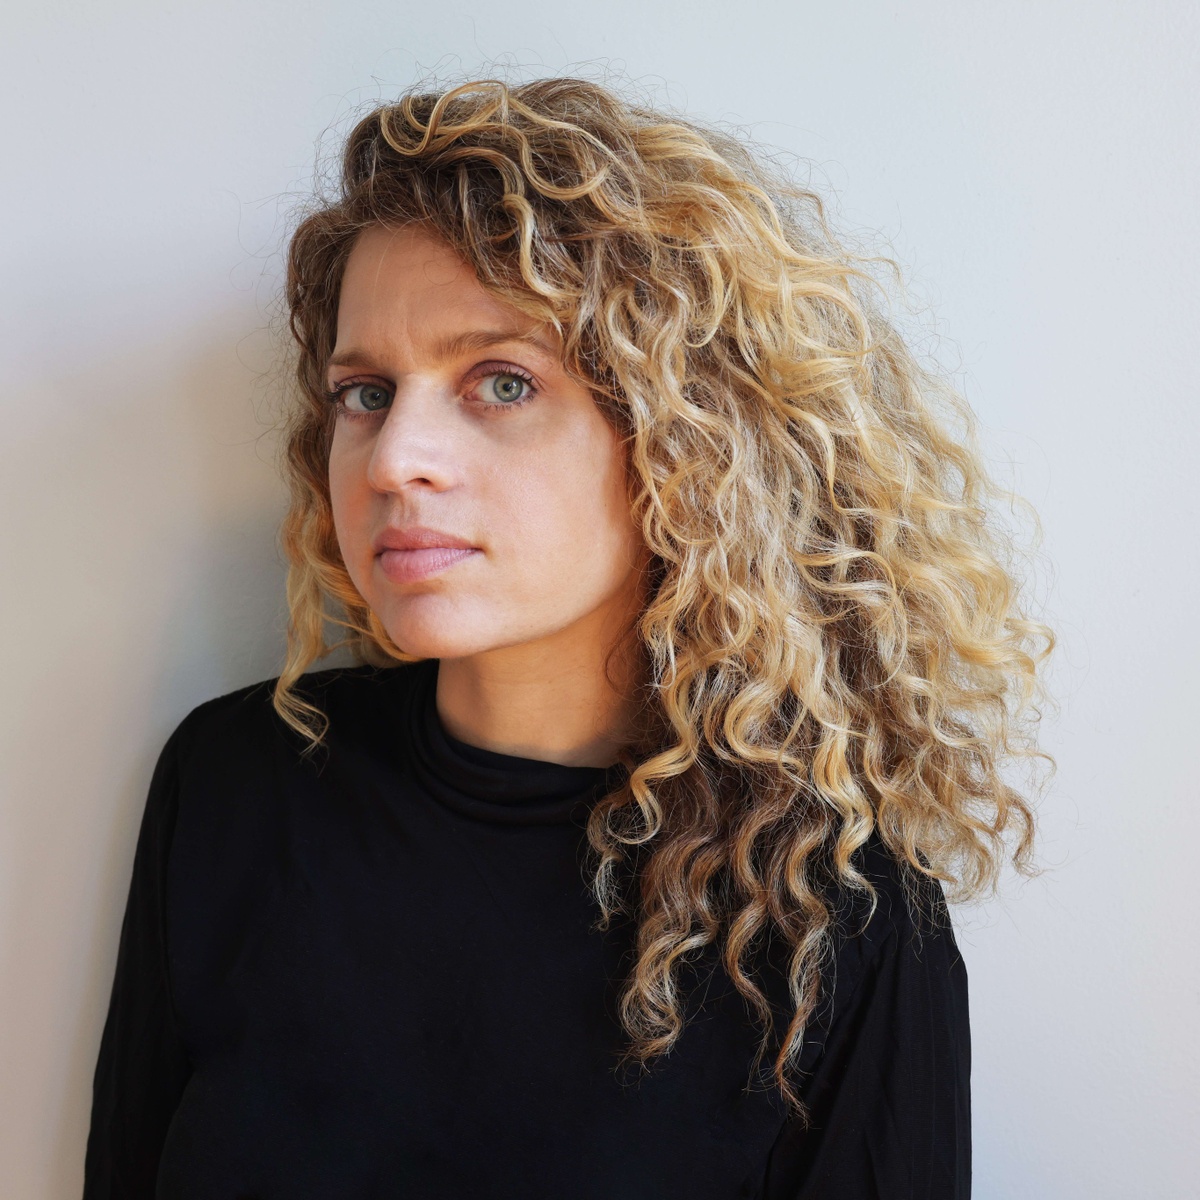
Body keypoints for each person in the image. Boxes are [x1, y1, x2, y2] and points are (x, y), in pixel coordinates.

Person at [82, 76, 1053, 1199]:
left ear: (687, 447)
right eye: (365, 392)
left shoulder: (837, 911)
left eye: (501, 382)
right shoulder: (235, 782)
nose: (395, 460)